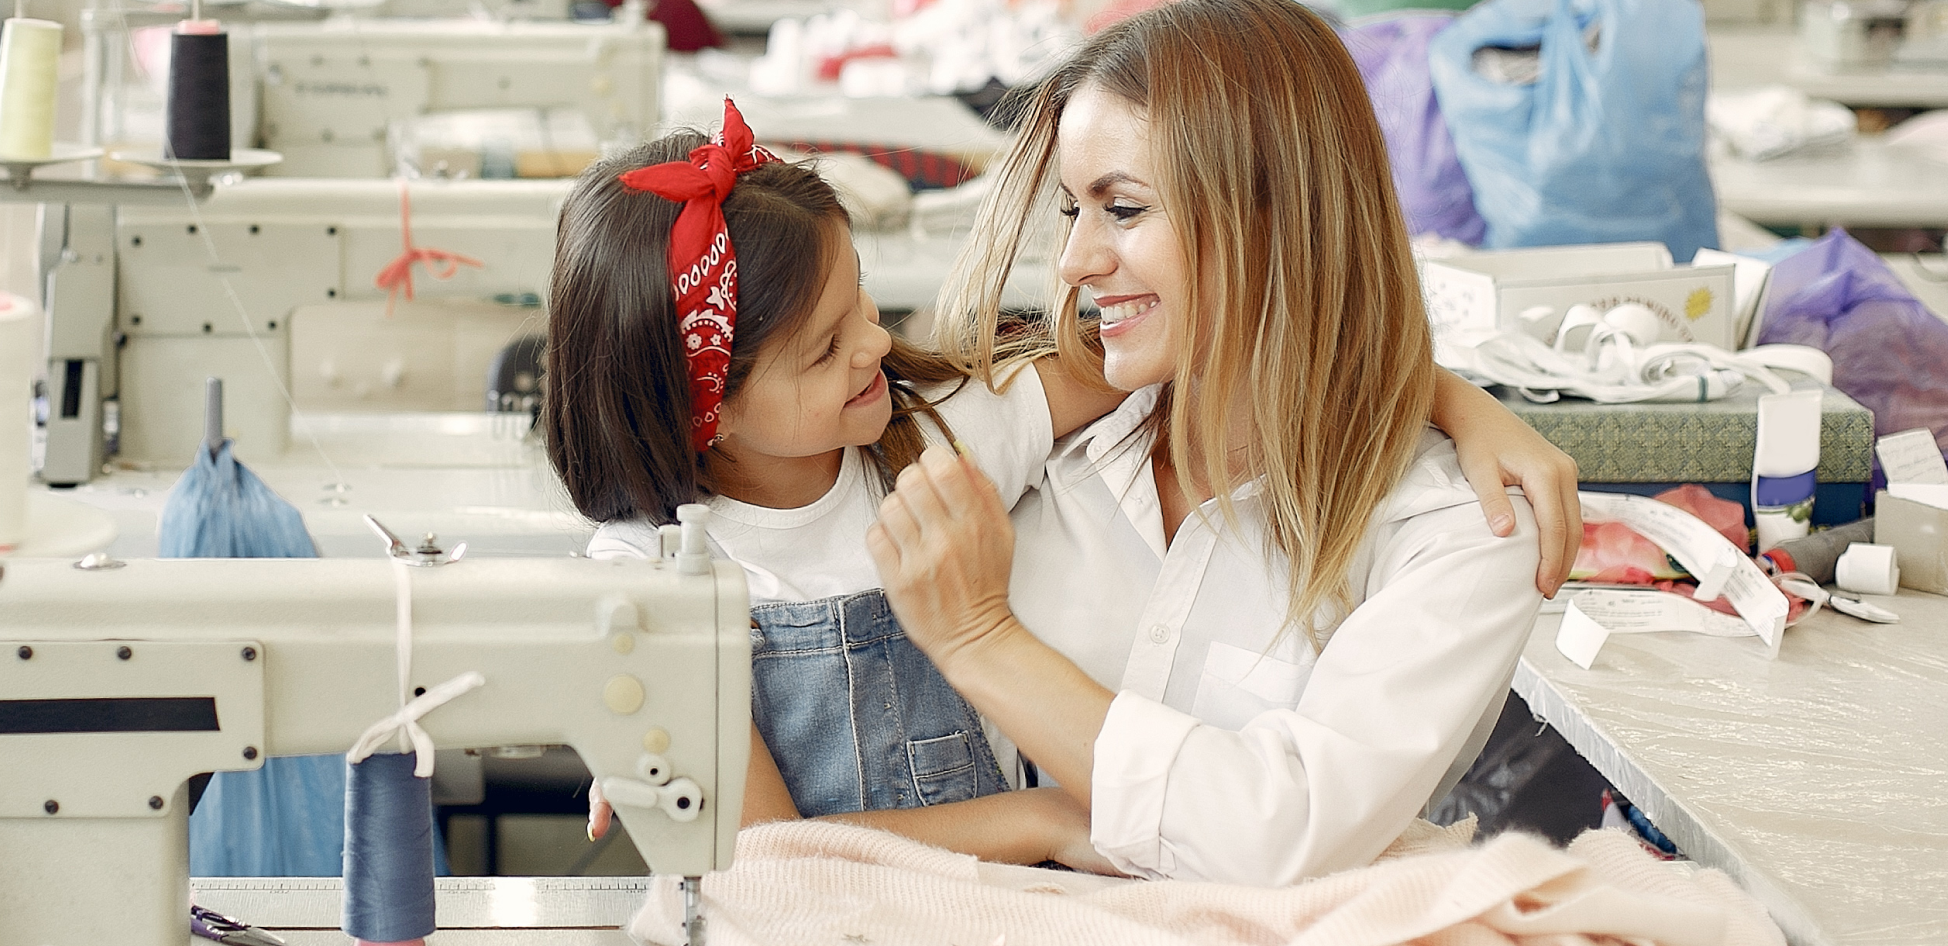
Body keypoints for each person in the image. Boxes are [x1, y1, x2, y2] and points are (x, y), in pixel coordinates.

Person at [545, 96, 1578, 866]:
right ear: (704, 411)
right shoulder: (651, 578)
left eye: (864, 305)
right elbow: (766, 862)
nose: (875, 344)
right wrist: (1038, 822)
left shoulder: (936, 438)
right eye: (824, 349)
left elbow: (1228, 331)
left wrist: (1447, 396)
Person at [864, 0, 1557, 884]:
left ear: (1276, 219)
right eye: (1073, 210)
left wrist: (982, 641)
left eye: (1122, 209)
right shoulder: (1033, 444)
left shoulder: (1463, 532)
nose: (1075, 262)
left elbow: (1284, 833)